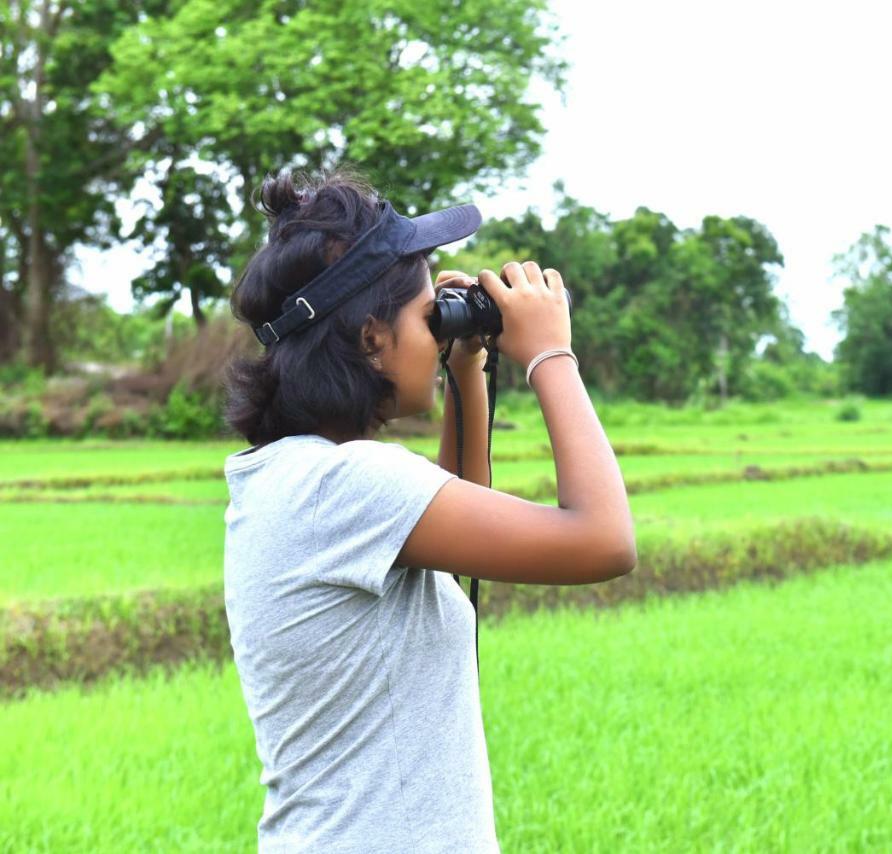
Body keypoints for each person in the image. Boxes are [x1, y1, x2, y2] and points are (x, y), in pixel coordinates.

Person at [221, 167, 636, 853]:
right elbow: (604, 541)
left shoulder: (299, 480)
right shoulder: (347, 485)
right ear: (369, 340)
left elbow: (449, 555)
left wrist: (466, 370)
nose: (435, 329)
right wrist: (551, 355)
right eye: (425, 316)